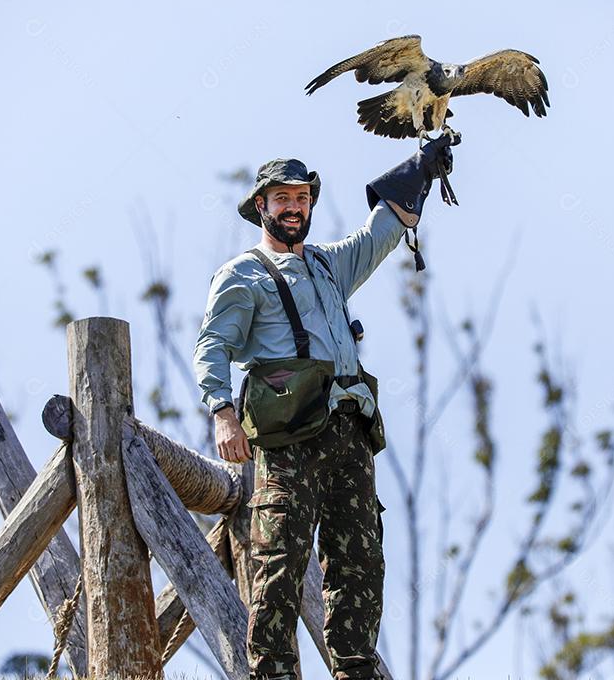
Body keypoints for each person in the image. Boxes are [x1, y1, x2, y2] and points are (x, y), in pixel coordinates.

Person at [193, 135, 458, 680]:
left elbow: (384, 231)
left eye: (302, 198)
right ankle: (274, 674)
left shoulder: (328, 264)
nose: (293, 207)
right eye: (282, 199)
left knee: (360, 562)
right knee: (279, 563)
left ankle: (354, 670)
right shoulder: (242, 274)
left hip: (350, 434)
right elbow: (212, 348)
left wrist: (420, 169)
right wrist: (222, 412)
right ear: (261, 207)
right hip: (289, 436)